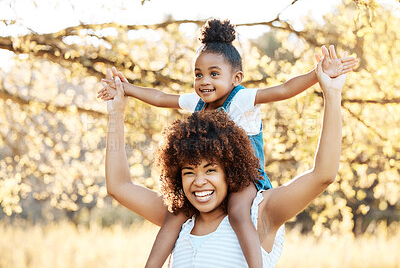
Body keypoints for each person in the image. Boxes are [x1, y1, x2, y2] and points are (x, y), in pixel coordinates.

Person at [99, 19, 358, 268]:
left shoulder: (260, 212)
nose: (199, 180)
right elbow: (120, 185)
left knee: (238, 211)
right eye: (189, 171)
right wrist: (119, 109)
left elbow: (322, 173)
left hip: (250, 179)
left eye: (210, 169)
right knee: (176, 214)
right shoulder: (183, 216)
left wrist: (328, 90)